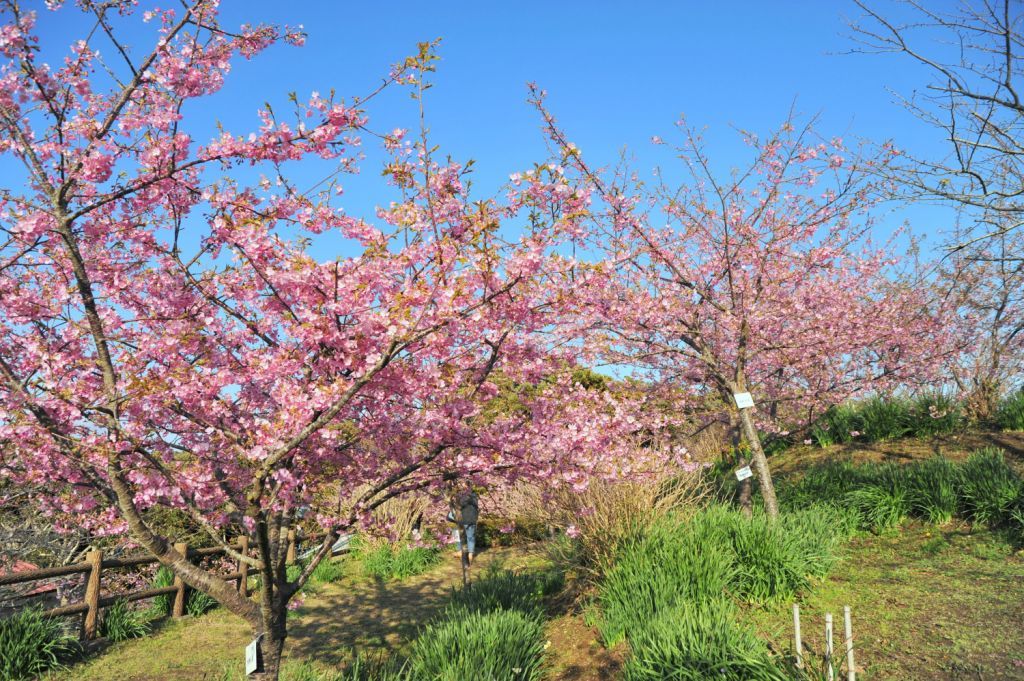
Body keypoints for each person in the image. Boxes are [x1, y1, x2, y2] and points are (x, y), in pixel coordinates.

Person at [448, 484, 479, 564]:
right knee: (470, 537)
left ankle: (460, 552)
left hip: (463, 519)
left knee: (458, 535)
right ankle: (470, 554)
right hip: (472, 520)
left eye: (462, 485)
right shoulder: (475, 496)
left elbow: (459, 506)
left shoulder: (462, 497)